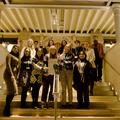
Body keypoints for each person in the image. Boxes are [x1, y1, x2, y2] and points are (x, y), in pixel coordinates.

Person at [3, 45, 20, 116]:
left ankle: (6, 109)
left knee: (12, 92)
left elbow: (18, 67)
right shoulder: (9, 55)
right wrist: (12, 75)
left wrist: (16, 75)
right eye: (14, 48)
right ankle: (6, 110)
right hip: (8, 75)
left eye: (17, 49)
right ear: (12, 48)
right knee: (11, 92)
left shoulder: (17, 56)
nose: (16, 49)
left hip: (14, 75)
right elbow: (8, 65)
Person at [58, 44, 74, 108]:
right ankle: (63, 102)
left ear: (70, 49)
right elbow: (59, 62)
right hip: (62, 72)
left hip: (69, 72)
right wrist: (60, 58)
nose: (66, 49)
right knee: (63, 88)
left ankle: (70, 102)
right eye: (65, 48)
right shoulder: (62, 55)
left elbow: (70, 62)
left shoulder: (72, 55)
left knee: (70, 88)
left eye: (68, 48)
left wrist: (63, 61)